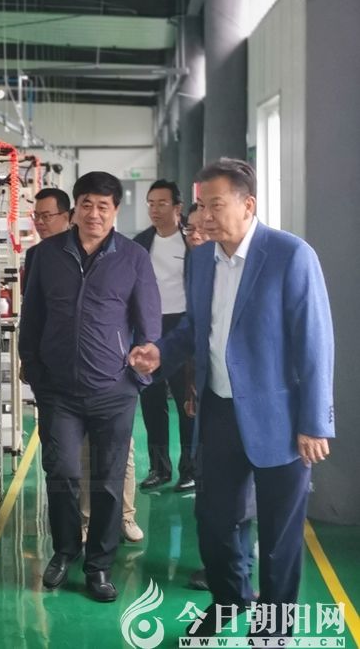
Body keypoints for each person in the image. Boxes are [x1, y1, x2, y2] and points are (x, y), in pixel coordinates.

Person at [130, 158, 334, 642]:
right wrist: (161, 352)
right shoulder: (202, 259)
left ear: (248, 205)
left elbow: (315, 343)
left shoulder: (290, 255)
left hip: (280, 417)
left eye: (215, 205)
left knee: (280, 535)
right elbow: (196, 329)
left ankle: (274, 626)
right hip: (219, 411)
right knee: (215, 522)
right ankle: (230, 599)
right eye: (201, 206)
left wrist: (314, 422)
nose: (204, 216)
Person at [19, 171, 161, 602]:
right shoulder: (45, 255)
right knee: (61, 472)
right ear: (75, 209)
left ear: (115, 210)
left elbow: (149, 325)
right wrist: (35, 371)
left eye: (103, 206)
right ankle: (65, 551)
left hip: (113, 390)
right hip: (59, 391)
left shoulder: (133, 258)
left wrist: (138, 375)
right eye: (86, 204)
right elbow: (32, 316)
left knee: (107, 481)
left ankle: (99, 566)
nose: (94, 214)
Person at [134, 180, 195, 492]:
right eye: (151, 203)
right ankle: (159, 469)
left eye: (161, 203)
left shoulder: (192, 241)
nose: (155, 210)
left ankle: (190, 470)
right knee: (152, 401)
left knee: (187, 403)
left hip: (184, 328)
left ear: (177, 207)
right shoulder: (141, 243)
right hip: (151, 328)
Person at [22, 187, 71, 291]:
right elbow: (30, 296)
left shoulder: (78, 250)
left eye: (46, 216)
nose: (39, 222)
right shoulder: (33, 253)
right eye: (36, 215)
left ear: (66, 217)